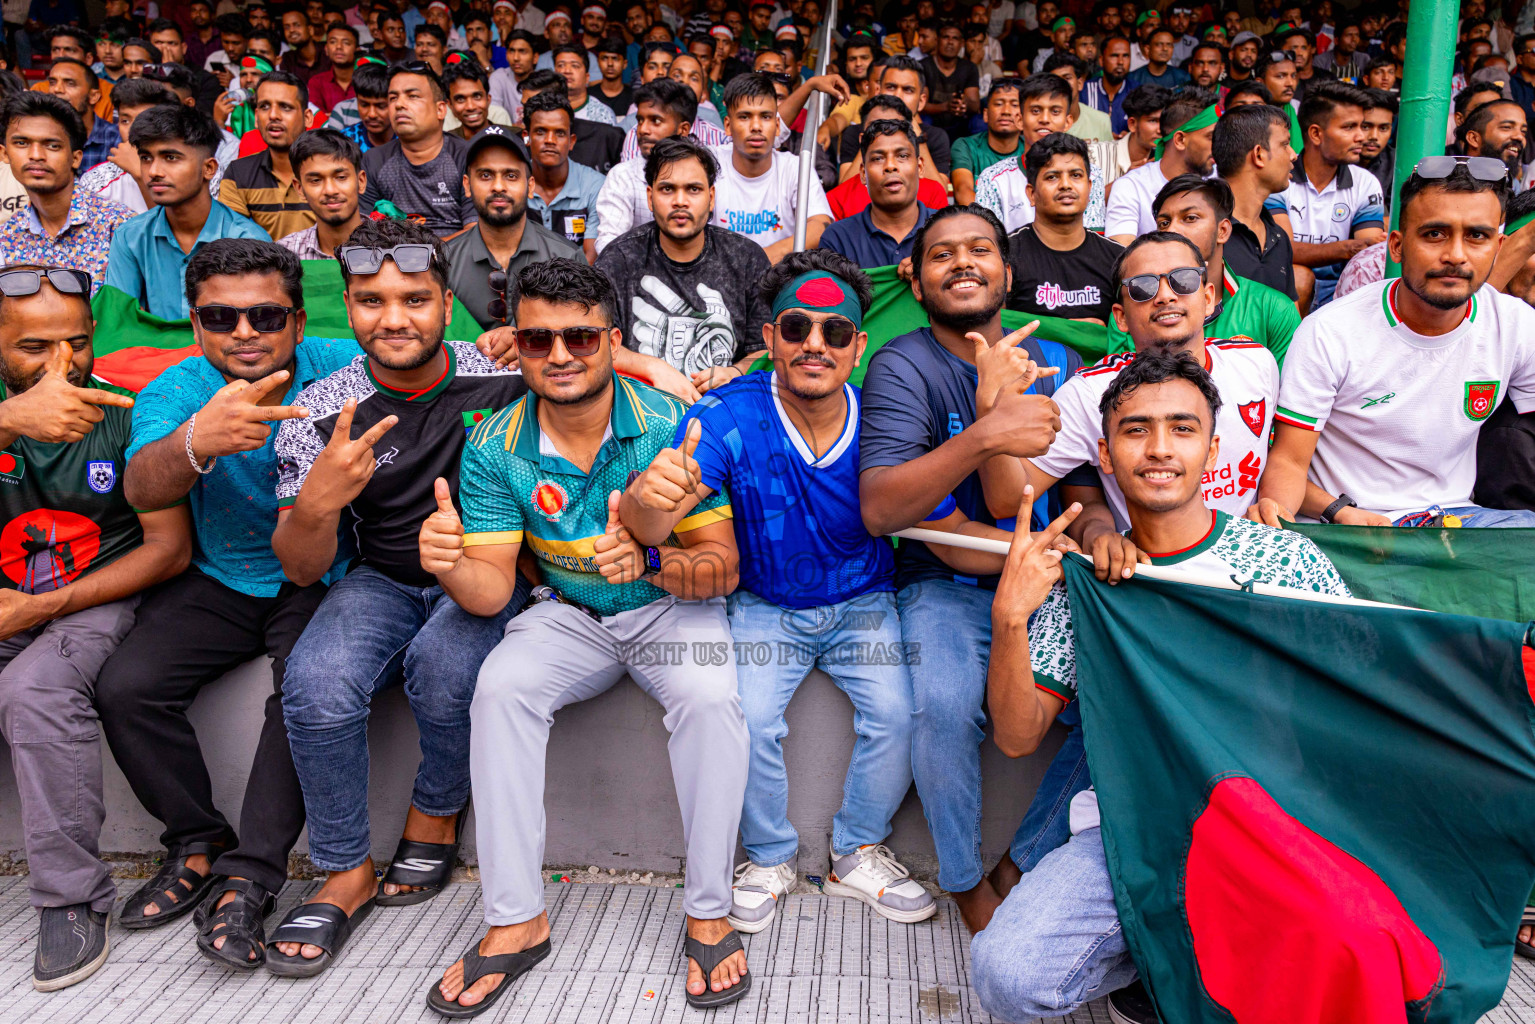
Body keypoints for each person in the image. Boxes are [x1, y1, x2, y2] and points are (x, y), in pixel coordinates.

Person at [969, 348, 1349, 1024]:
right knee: (1006, 973)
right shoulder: (1087, 584)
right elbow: (1018, 735)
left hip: (1271, 828)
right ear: (1105, 455)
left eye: (1182, 428)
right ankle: (1158, 954)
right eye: (1135, 430)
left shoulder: (1282, 558)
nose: (1159, 448)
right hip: (1132, 831)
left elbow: (1355, 701)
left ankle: (1187, 958)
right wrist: (1010, 616)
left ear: (1213, 449)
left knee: (1349, 957)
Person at [423, 257, 750, 1015]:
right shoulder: (494, 443)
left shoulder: (670, 426)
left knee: (711, 702)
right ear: (517, 345)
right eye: (537, 340)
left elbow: (721, 568)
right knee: (500, 689)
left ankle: (709, 909)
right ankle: (516, 918)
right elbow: (490, 590)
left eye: (580, 337)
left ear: (613, 341)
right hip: (570, 611)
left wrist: (653, 559)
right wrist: (449, 563)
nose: (560, 355)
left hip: (668, 609)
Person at [625, 248, 937, 933]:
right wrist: (649, 504)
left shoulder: (881, 417)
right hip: (764, 605)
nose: (814, 344)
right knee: (750, 721)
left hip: (864, 602)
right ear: (769, 337)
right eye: (796, 327)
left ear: (859, 345)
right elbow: (652, 522)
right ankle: (769, 858)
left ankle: (856, 851)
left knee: (900, 714)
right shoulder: (726, 413)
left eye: (835, 331)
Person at [265, 218, 529, 978]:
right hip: (381, 577)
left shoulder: (500, 375)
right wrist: (319, 501)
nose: (393, 318)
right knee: (315, 684)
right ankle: (344, 870)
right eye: (370, 300)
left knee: (446, 666)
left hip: (489, 570)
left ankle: (435, 812)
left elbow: (591, 362)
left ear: (447, 303)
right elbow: (302, 569)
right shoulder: (324, 409)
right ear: (346, 308)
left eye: (414, 299)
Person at [94, 240, 360, 969]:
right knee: (127, 688)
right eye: (221, 317)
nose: (244, 332)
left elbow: (446, 364)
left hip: (325, 575)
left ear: (297, 321)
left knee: (301, 692)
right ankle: (196, 840)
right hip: (224, 576)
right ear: (196, 325)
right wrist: (195, 442)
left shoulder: (344, 365)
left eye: (265, 315)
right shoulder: (181, 390)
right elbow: (142, 486)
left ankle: (253, 875)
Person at [857, 204, 1080, 934]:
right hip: (944, 588)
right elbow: (882, 508)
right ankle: (963, 882)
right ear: (915, 281)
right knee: (944, 706)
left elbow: (1075, 486)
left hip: (1051, 582)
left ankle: (1020, 863)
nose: (962, 262)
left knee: (1124, 700)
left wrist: (1095, 535)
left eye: (979, 249)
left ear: (1007, 272)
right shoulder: (902, 364)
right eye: (941, 253)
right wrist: (987, 427)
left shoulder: (1059, 361)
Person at [0, 265, 189, 992]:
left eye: (76, 342)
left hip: (95, 596)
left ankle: (72, 899)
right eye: (33, 347)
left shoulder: (125, 413)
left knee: (34, 690)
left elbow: (168, 550)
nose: (62, 365)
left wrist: (43, 607)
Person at [1261, 160, 1535, 529]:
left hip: (1458, 520)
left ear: (1498, 247)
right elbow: (1288, 461)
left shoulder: (1516, 325)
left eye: (1477, 236)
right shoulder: (1331, 331)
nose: (1456, 255)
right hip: (1349, 526)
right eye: (1435, 234)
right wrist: (1294, 523)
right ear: (1397, 246)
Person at [1021, 231, 1278, 546]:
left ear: (1209, 298)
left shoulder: (1256, 363)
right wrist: (993, 406)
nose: (1166, 296)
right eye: (1143, 287)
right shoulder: (1088, 392)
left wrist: (1275, 503)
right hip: (1143, 566)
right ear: (1120, 317)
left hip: (1251, 557)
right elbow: (1010, 496)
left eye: (1183, 280)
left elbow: (1285, 458)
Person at [595, 136, 771, 398]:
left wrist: (736, 371)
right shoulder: (618, 260)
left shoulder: (746, 259)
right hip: (640, 405)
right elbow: (595, 343)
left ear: (711, 197)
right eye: (667, 189)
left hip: (728, 406)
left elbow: (768, 346)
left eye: (693, 189)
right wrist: (652, 367)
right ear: (650, 197)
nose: (680, 201)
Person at [1108, 175, 1301, 364]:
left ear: (1223, 231)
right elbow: (1122, 380)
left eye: (1190, 218)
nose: (1171, 230)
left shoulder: (1273, 309)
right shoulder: (1135, 309)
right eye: (1164, 223)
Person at [105, 105, 268, 320]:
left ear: (209, 168)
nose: (154, 171)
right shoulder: (130, 237)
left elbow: (254, 325)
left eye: (171, 158)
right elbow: (120, 321)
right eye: (146, 158)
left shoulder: (248, 241)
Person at [444, 125, 580, 329]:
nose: (498, 186)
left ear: (530, 186)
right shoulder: (445, 262)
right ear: (467, 185)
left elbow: (585, 334)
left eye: (511, 176)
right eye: (485, 175)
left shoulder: (567, 257)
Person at [1266, 81, 1383, 309]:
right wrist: (1348, 247)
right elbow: (1283, 250)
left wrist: (1360, 247)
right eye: (1349, 127)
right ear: (1316, 134)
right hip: (1286, 285)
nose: (1361, 136)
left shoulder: (1366, 182)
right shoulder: (1278, 178)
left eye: (1362, 126)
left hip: (1344, 288)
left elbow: (1367, 253)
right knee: (1300, 277)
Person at [0, 93, 135, 289]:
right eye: (21, 143)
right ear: (4, 153)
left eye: (52, 145)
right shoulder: (7, 237)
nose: (36, 155)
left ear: (76, 158)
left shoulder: (119, 227)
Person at [710, 73, 832, 262]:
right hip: (719, 273)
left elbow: (820, 226)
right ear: (728, 125)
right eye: (744, 117)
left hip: (779, 275)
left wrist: (760, 259)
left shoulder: (795, 167)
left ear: (777, 125)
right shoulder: (709, 163)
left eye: (765, 117)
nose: (756, 126)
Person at [1003, 132, 1122, 324]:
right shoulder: (1005, 255)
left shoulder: (1118, 258)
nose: (1066, 185)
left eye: (1076, 175)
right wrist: (1069, 331)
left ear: (1090, 188)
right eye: (1052, 177)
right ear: (1032, 194)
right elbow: (996, 327)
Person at [974, 75, 1107, 233]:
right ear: (1019, 120)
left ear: (1067, 122)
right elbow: (986, 241)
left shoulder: (1090, 175)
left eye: (1055, 111)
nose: (1044, 119)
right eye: (1036, 111)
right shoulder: (993, 179)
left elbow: (1093, 240)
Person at [361, 62, 473, 236]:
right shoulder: (374, 161)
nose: (399, 104)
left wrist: (423, 251)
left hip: (458, 252)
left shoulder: (466, 156)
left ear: (440, 110)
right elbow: (364, 234)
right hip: (392, 252)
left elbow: (475, 232)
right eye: (393, 98)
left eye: (412, 96)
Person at [592, 78, 694, 253]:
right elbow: (609, 241)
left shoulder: (704, 173)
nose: (643, 129)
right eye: (640, 120)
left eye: (656, 121)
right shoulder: (623, 175)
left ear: (683, 130)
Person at [1105, 88, 1216, 244]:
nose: (1218, 146)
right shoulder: (1131, 188)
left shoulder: (1220, 180)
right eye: (1211, 137)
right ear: (1180, 140)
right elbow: (1121, 252)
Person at [1215, 102, 1300, 302]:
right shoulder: (1204, 231)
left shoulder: (1278, 237)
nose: (1293, 155)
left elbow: (1290, 318)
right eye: (1285, 144)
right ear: (1259, 154)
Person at [820, 119, 934, 268]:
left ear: (920, 167)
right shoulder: (838, 238)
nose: (890, 166)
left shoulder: (947, 229)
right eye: (878, 158)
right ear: (863, 174)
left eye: (902, 156)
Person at [217, 71, 313, 241]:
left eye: (285, 107)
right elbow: (232, 246)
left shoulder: (331, 172)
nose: (273, 115)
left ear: (307, 118)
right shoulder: (239, 174)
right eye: (264, 107)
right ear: (256, 118)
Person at [76, 77, 178, 216]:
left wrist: (140, 174)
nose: (133, 130)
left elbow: (172, 227)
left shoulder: (184, 171)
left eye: (145, 120)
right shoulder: (97, 180)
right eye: (125, 120)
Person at [521, 88, 603, 259]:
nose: (550, 140)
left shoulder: (595, 186)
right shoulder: (512, 183)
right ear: (526, 138)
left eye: (559, 133)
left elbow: (590, 256)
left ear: (571, 141)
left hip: (577, 276)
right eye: (541, 131)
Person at [277, 127, 366, 259]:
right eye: (316, 180)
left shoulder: (392, 247)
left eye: (341, 177)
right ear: (299, 189)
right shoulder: (285, 256)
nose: (330, 190)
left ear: (361, 181)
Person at [951, 77, 1024, 206]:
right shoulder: (966, 146)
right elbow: (963, 192)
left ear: (1024, 116)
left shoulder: (1033, 148)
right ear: (985, 115)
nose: (1006, 111)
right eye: (999, 104)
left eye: (1014, 105)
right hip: (978, 218)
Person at [44, 58, 118, 169]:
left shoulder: (116, 138)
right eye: (52, 83)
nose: (57, 89)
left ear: (93, 96)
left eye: (70, 83)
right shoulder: (38, 134)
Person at [921, 22, 980, 136]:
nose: (950, 42)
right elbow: (921, 105)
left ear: (961, 43)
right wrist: (946, 107)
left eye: (955, 38)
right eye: (946, 37)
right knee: (923, 120)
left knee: (978, 122)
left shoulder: (969, 68)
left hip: (960, 123)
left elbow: (975, 105)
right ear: (937, 40)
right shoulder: (924, 66)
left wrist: (964, 104)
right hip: (932, 123)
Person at [1459, 99, 1528, 188]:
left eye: (1523, 131)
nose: (1520, 137)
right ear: (1474, 139)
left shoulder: (1513, 185)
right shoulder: (1449, 186)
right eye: (1507, 127)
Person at [1043, 54, 1112, 143]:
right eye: (1055, 80)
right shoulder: (1042, 122)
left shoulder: (1101, 121)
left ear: (1080, 83)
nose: (1062, 84)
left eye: (1067, 78)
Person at [332, 60, 394, 153]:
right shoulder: (344, 142)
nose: (372, 114)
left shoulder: (407, 139)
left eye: (381, 106)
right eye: (364, 105)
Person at [549, 42, 617, 126]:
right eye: (561, 65)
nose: (567, 71)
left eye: (575, 66)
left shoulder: (602, 114)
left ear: (587, 77)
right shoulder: (544, 109)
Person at [1111, 83, 1167, 179]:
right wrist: (1127, 179)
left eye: (1164, 121)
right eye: (1153, 121)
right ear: (1132, 124)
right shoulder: (1096, 154)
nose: (1160, 130)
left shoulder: (1165, 159)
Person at [1082, 34, 1132, 134]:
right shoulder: (1084, 91)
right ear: (1101, 60)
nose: (1121, 62)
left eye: (1125, 56)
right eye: (1114, 56)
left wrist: (1130, 137)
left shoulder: (1137, 92)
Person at [1360, 88, 1396, 223]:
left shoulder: (1396, 163)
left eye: (1383, 128)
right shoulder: (1334, 161)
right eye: (1366, 126)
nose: (1374, 136)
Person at [308, 23, 359, 115]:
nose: (339, 47)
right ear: (326, 50)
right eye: (333, 42)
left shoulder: (367, 80)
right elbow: (317, 118)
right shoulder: (316, 82)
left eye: (346, 43)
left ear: (357, 50)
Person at [1124, 28, 1190, 90]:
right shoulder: (1133, 78)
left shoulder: (1182, 77)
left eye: (1169, 44)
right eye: (1159, 44)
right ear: (1147, 49)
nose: (1165, 49)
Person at [279, 7, 330, 84]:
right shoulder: (288, 59)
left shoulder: (328, 51)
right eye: (287, 27)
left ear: (310, 30)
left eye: (297, 25)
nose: (291, 30)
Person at [591, 37, 631, 117]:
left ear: (625, 64)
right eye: (604, 58)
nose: (610, 64)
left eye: (615, 58)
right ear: (598, 62)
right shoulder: (589, 96)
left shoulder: (634, 98)